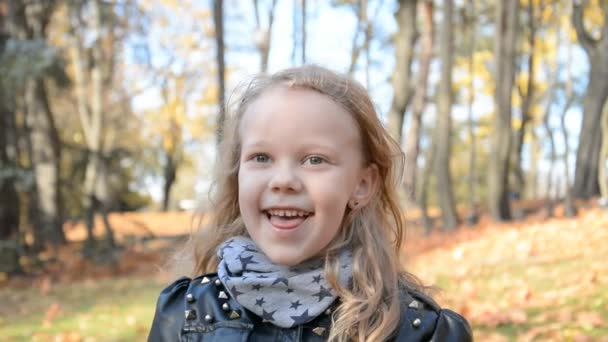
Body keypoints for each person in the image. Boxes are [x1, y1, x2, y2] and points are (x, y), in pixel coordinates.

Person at [148, 65, 472, 341]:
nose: (283, 180)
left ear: (361, 184)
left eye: (314, 159)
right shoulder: (186, 315)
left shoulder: (419, 331)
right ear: (237, 175)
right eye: (261, 157)